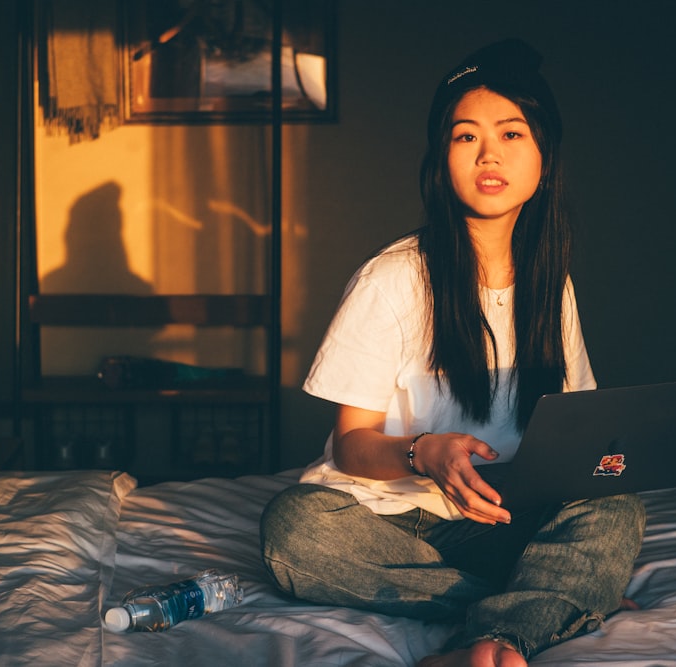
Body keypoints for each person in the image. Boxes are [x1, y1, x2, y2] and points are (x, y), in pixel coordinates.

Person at [259, 38, 645, 667]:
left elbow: (578, 425)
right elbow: (352, 443)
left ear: (544, 153)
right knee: (292, 530)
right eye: (466, 136)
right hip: (389, 519)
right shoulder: (393, 278)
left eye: (512, 134)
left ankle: (517, 617)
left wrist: (603, 467)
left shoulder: (552, 284)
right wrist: (423, 452)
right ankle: (543, 603)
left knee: (616, 507)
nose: (489, 154)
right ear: (441, 157)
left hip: (506, 519)